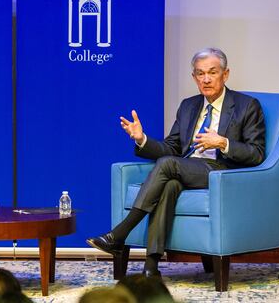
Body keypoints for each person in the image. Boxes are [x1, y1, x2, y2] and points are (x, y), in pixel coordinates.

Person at [87, 47, 266, 278]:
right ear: (194, 77)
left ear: (226, 74)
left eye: (212, 72)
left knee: (168, 165)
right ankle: (151, 267)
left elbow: (257, 153)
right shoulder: (189, 106)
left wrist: (223, 143)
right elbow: (172, 148)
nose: (206, 79)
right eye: (200, 74)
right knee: (169, 183)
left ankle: (119, 234)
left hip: (222, 172)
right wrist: (142, 139)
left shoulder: (247, 106)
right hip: (187, 169)